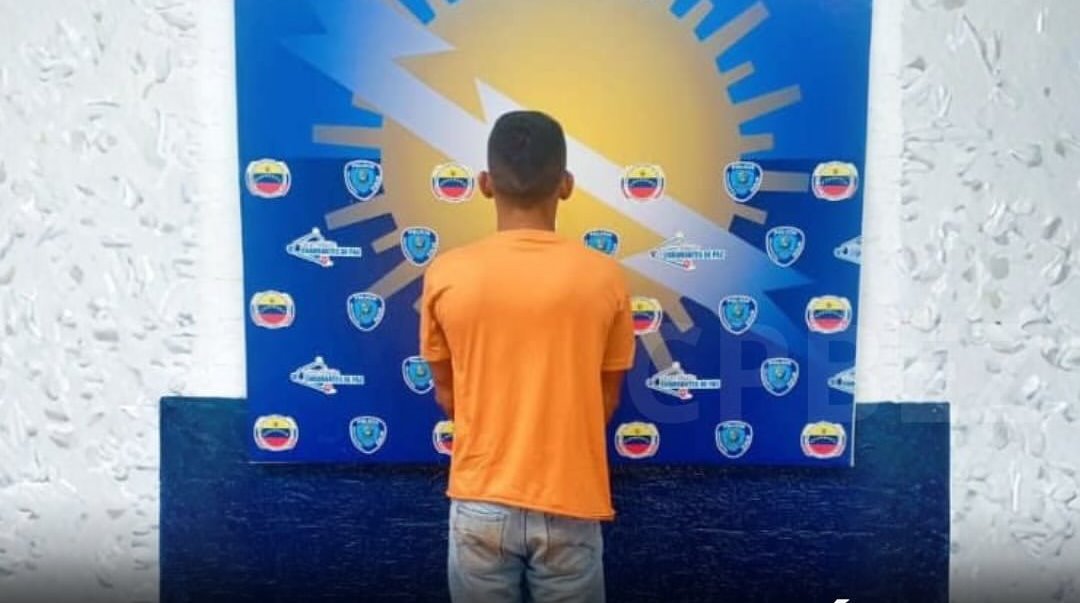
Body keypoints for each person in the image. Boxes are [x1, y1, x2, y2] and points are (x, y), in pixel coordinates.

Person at [419, 110, 636, 603]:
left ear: (484, 184)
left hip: (480, 495)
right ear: (566, 185)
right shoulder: (605, 278)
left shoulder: (447, 274)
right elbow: (606, 398)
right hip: (570, 499)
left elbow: (447, 394)